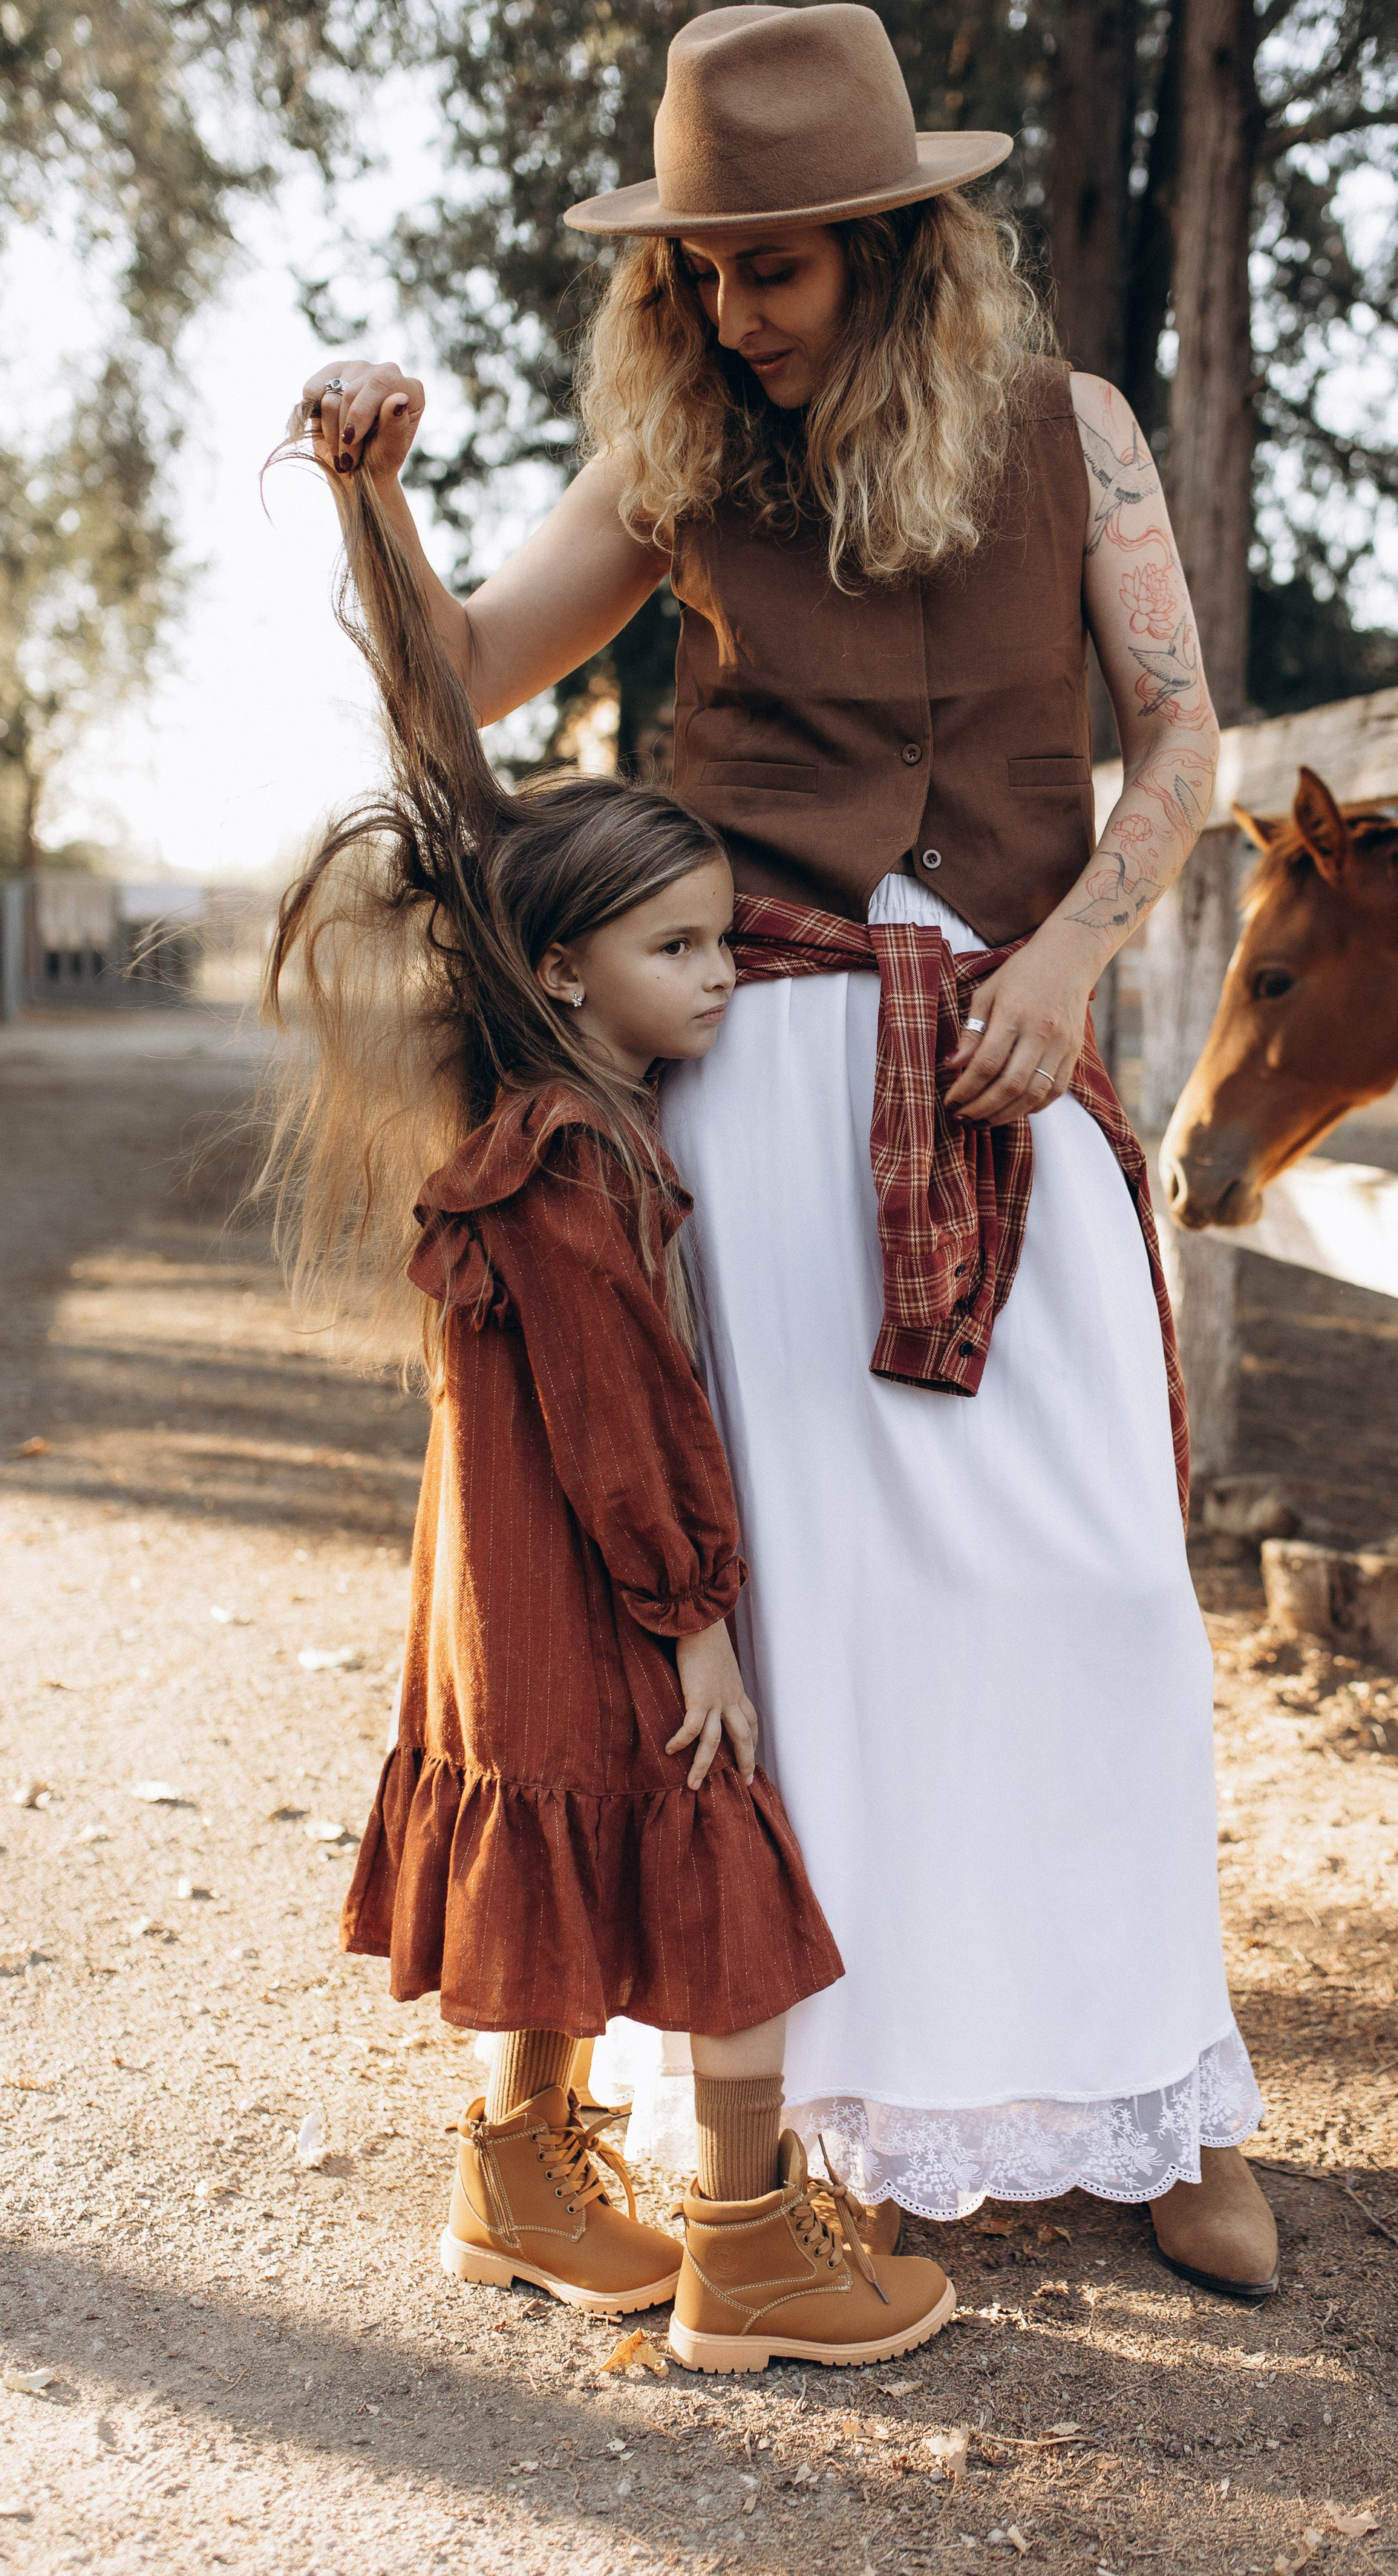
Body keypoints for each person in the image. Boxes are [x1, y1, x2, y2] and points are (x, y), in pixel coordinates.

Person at [298, 0, 1279, 2298]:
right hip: (752, 1071)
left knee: (1109, 1586)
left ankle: (1158, 2082)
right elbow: (458, 685)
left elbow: (1182, 749)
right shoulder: (681, 465)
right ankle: (826, 2113)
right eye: (699, 275)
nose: (732, 314)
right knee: (822, 1621)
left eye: (778, 270)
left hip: (1010, 1068)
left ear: (893, 248)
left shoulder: (1081, 437)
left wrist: (1066, 962)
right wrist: (372, 493)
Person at [258, 477, 956, 2366]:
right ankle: (748, 2251)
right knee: (717, 1852)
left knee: (563, 1863)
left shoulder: (544, 1126)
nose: (726, 980)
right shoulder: (578, 1161)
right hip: (593, 1593)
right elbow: (629, 1424)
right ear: (562, 968)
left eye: (727, 942)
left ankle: (517, 2174)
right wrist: (699, 1620)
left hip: (505, 1604)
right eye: (682, 952)